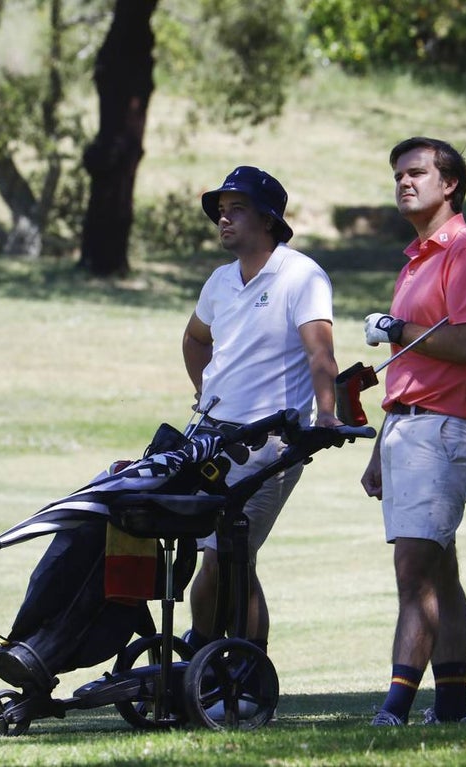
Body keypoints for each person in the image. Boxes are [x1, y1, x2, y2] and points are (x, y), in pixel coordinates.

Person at [360, 137, 466, 726]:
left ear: (450, 184)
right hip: (409, 427)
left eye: (417, 173)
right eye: (398, 174)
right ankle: (451, 708)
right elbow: (412, 364)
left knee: (414, 570)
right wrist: (380, 449)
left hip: (445, 430)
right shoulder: (419, 258)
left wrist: (397, 325)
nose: (404, 182)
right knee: (439, 571)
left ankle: (394, 708)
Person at [182, 166, 340, 657]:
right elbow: (195, 338)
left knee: (230, 556)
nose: (225, 221)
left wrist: (327, 416)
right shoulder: (220, 280)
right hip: (210, 437)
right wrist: (207, 394)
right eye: (221, 214)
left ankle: (245, 668)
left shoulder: (301, 275)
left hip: (269, 444)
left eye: (238, 210)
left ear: (269, 219)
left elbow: (321, 355)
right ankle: (205, 663)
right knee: (210, 558)